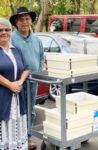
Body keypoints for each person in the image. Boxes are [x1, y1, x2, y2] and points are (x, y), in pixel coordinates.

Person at [10, 7, 45, 150]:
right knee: (16, 110)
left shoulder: (37, 40)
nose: (24, 22)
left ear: (31, 21)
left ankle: (28, 138)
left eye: (27, 19)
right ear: (16, 23)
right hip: (15, 83)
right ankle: (15, 138)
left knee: (30, 110)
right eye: (21, 19)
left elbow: (42, 57)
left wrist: (39, 70)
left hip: (33, 82)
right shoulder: (11, 38)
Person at [0, 18, 29, 150]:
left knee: (17, 123)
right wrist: (10, 85)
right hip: (3, 96)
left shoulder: (15, 49)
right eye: (0, 30)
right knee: (4, 125)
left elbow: (26, 68)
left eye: (7, 29)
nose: (4, 32)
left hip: (17, 97)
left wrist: (20, 82)